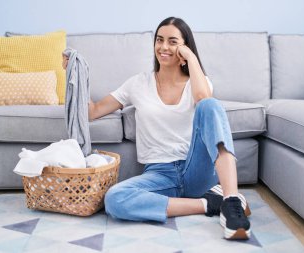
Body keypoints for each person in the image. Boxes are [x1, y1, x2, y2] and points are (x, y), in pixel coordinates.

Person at [86, 17, 251, 240]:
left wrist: (191, 57)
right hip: (159, 174)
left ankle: (231, 201)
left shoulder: (200, 82)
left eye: (173, 42)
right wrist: (74, 76)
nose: (164, 47)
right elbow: (93, 111)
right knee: (115, 199)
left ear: (184, 47)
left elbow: (203, 98)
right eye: (159, 40)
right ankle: (209, 203)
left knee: (211, 105)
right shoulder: (137, 83)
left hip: (197, 168)